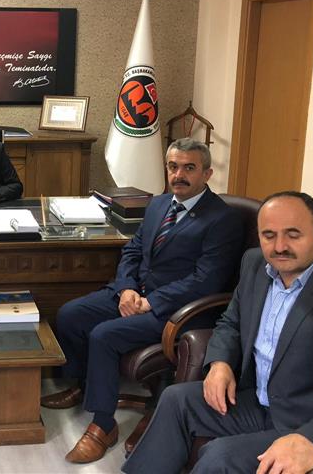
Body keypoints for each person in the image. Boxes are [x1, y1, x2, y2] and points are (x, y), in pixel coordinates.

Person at [122, 192, 313, 474]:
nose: (280, 247)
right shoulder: (254, 263)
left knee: (219, 456)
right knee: (175, 399)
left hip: (305, 418)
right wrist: (220, 363)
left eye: (293, 235)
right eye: (269, 235)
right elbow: (231, 321)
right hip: (255, 398)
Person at [42, 138, 245, 464]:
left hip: (178, 310)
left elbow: (206, 280)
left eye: (189, 168)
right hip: (136, 294)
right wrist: (126, 289)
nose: (179, 175)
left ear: (207, 173)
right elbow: (133, 251)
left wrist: (151, 302)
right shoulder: (159, 204)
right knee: (70, 315)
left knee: (104, 335)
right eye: (173, 166)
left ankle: (103, 425)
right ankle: (85, 385)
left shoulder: (223, 219)